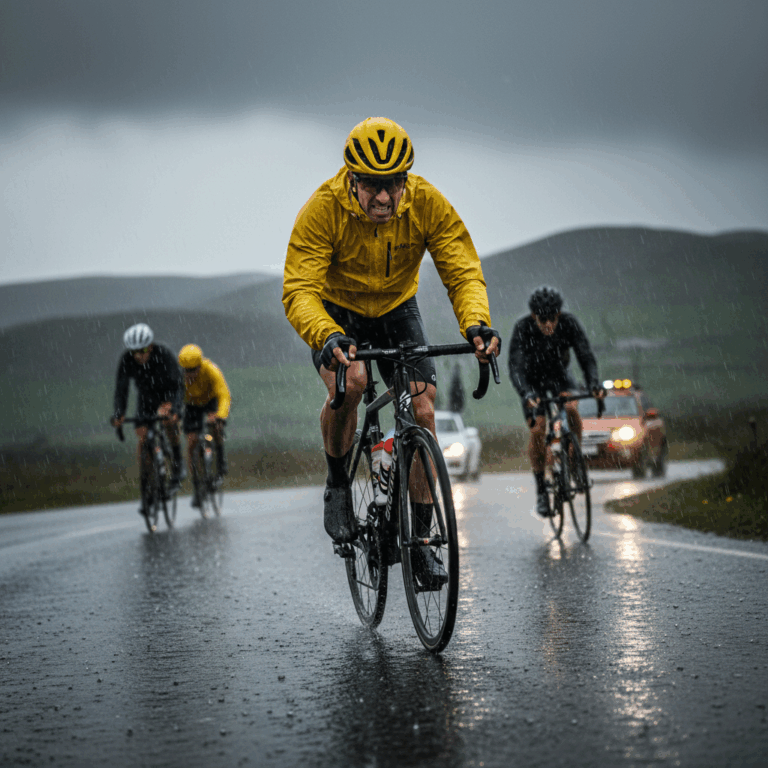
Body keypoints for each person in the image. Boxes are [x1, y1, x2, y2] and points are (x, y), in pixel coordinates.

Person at [282, 116, 501, 577]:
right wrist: (326, 336)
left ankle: (420, 539)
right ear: (351, 180)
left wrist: (476, 323)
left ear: (406, 181)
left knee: (423, 411)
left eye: (393, 184)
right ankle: (338, 484)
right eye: (372, 185)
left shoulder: (426, 203)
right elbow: (300, 288)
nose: (384, 196)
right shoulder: (323, 209)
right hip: (337, 314)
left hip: (397, 309)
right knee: (353, 382)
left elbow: (461, 267)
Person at [507, 286, 604, 517]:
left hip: (561, 377)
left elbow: (585, 355)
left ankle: (575, 464)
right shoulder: (523, 328)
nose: (549, 324)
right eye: (543, 319)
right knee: (538, 428)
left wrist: (593, 383)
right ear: (534, 317)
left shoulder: (569, 323)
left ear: (559, 315)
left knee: (571, 406)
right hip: (533, 383)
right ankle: (541, 490)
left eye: (553, 318)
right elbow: (516, 366)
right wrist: (526, 393)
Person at [111, 323, 185, 515]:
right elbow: (121, 389)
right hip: (146, 399)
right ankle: (147, 489)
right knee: (143, 439)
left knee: (169, 422)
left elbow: (178, 385)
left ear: (150, 346)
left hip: (167, 394)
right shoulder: (127, 359)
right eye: (134, 351)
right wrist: (119, 413)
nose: (139, 356)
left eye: (143, 350)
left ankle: (177, 464)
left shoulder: (164, 354)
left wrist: (174, 408)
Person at [178, 344, 231, 506]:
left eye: (193, 369)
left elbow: (224, 394)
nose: (190, 374)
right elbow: (172, 396)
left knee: (216, 426)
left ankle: (220, 461)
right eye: (186, 370)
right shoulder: (179, 377)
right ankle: (197, 488)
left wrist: (220, 416)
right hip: (191, 405)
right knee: (192, 442)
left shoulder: (211, 370)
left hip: (211, 401)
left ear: (200, 365)